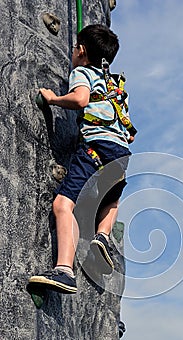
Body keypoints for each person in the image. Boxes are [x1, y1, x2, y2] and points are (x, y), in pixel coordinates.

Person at [28, 24, 135, 294]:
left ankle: (64, 269)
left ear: (81, 50)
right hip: (121, 153)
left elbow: (81, 99)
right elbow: (129, 134)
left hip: (95, 149)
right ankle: (102, 236)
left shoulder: (82, 72)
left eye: (75, 47)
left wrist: (53, 99)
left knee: (64, 204)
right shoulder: (115, 85)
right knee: (111, 200)